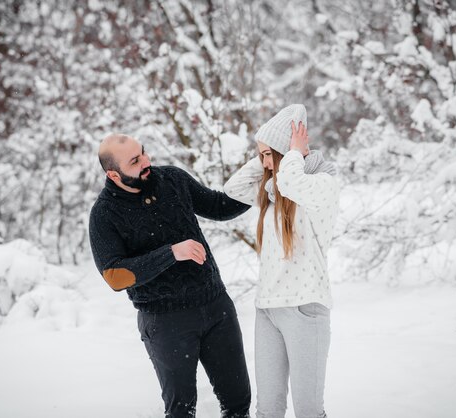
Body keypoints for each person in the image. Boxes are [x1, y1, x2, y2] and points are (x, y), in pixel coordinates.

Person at [88, 133, 252, 418]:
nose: (146, 162)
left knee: (238, 403)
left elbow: (218, 206)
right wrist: (171, 253)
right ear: (113, 174)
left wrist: (260, 184)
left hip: (216, 307)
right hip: (165, 322)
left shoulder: (173, 179)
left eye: (144, 153)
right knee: (181, 410)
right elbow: (115, 276)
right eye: (135, 161)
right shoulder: (104, 214)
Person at [224, 104, 339, 418]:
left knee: (309, 411)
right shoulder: (271, 192)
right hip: (269, 309)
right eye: (261, 156)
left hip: (305, 308)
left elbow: (293, 183)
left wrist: (291, 154)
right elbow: (231, 188)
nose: (264, 164)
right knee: (268, 409)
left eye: (267, 155)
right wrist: (267, 151)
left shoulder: (324, 183)